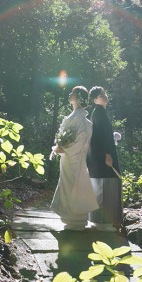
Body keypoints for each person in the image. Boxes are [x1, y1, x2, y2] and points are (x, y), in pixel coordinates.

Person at [50, 85, 98, 230]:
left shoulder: (83, 121)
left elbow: (80, 141)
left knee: (75, 185)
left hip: (75, 158)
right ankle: (69, 216)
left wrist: (64, 148)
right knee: (68, 185)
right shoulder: (75, 116)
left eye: (73, 93)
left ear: (77, 97)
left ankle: (76, 218)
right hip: (68, 157)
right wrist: (61, 146)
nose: (69, 94)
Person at [86, 86, 122, 232]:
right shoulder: (99, 113)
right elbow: (100, 137)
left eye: (104, 93)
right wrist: (107, 155)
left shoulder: (99, 113)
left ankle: (103, 221)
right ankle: (104, 222)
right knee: (108, 183)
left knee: (105, 184)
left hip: (99, 157)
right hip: (102, 157)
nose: (105, 95)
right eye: (102, 95)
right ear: (96, 100)